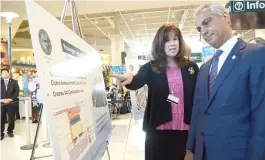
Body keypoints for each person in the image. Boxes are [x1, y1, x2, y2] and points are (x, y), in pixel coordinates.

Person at [185, 3, 265, 160]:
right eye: (199, 29)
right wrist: (190, 149)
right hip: (204, 153)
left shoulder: (256, 55)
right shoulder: (205, 68)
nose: (204, 32)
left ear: (225, 17)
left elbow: (261, 116)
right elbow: (198, 112)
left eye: (206, 22)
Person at [112, 24, 199, 160]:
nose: (172, 43)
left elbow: (198, 96)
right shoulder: (151, 67)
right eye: (166, 40)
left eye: (175, 39)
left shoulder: (191, 68)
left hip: (185, 131)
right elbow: (137, 80)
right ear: (160, 44)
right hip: (158, 131)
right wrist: (129, 79)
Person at [1, 68, 20, 140]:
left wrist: (10, 99)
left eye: (6, 72)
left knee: (11, 118)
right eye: (3, 73)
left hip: (11, 103)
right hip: (1, 103)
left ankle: (10, 131)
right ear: (1, 74)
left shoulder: (14, 82)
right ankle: (1, 133)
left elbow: (16, 91)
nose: (5, 74)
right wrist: (1, 100)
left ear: (8, 73)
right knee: (1, 118)